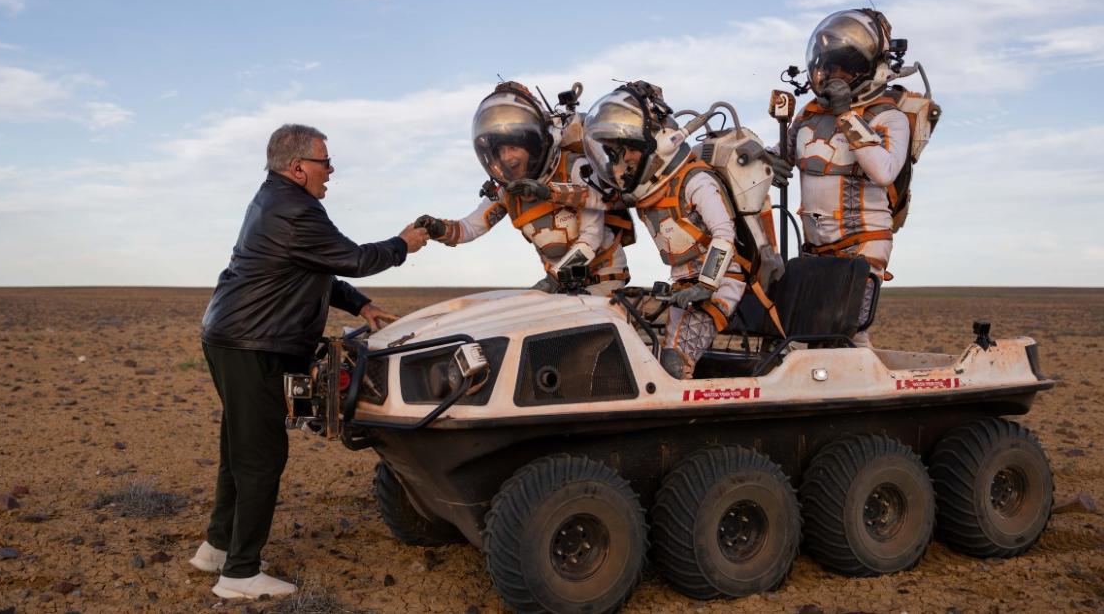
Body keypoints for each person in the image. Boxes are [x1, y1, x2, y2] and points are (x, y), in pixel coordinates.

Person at [191, 124, 429, 600]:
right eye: (325, 161)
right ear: (298, 167)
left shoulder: (274, 200)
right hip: (253, 345)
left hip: (233, 338)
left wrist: (360, 304)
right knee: (261, 456)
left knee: (239, 447)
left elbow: (317, 270)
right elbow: (355, 258)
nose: (331, 170)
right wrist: (404, 244)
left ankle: (217, 547)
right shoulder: (297, 210)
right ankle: (239, 574)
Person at [578, 81, 754, 378]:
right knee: (652, 358)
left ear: (657, 144)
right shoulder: (646, 191)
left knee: (675, 364)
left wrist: (706, 285)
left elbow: (725, 234)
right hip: (683, 286)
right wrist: (549, 194)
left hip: (721, 282)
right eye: (616, 154)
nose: (623, 163)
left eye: (628, 151)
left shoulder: (696, 181)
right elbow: (597, 200)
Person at [416, 81, 631, 295]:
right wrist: (438, 229)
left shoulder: (575, 168)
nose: (508, 158)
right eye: (500, 151)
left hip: (603, 278)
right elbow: (469, 228)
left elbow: (591, 236)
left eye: (513, 147)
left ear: (531, 143)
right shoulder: (507, 192)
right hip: (559, 285)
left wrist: (554, 280)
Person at [777, 9, 911, 346]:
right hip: (815, 251)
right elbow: (786, 155)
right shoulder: (808, 116)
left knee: (847, 330)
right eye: (827, 65)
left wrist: (846, 115)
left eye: (842, 68)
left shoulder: (889, 117)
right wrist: (768, 160)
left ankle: (866, 394)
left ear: (865, 71)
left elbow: (883, 170)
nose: (831, 75)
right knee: (803, 334)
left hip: (863, 244)